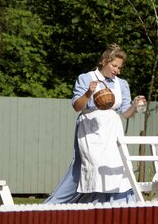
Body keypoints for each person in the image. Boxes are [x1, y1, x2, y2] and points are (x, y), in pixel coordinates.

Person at [45, 43, 146, 204]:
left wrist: (135, 105)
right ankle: (57, 205)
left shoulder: (121, 84)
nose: (116, 70)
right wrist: (89, 93)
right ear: (105, 61)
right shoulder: (86, 78)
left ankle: (114, 206)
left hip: (113, 132)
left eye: (119, 68)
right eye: (114, 66)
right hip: (91, 130)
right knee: (94, 167)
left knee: (116, 168)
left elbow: (125, 114)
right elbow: (76, 107)